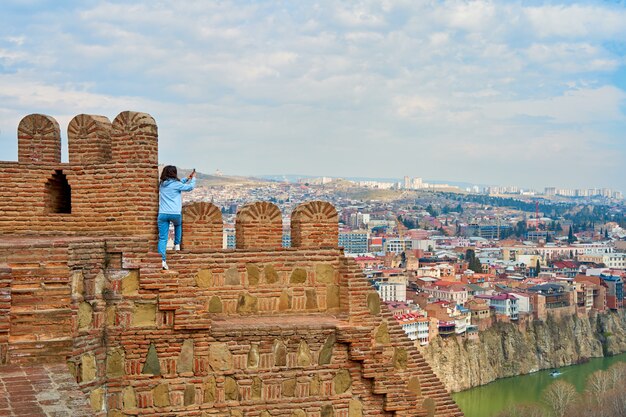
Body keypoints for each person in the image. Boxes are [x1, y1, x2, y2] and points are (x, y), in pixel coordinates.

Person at [158, 165, 196, 270]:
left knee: (163, 238)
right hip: (175, 213)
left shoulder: (161, 184)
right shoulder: (176, 184)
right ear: (174, 173)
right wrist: (193, 179)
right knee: (178, 225)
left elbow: (178, 183)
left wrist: (187, 178)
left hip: (162, 213)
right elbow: (190, 187)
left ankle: (162, 260)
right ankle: (177, 244)